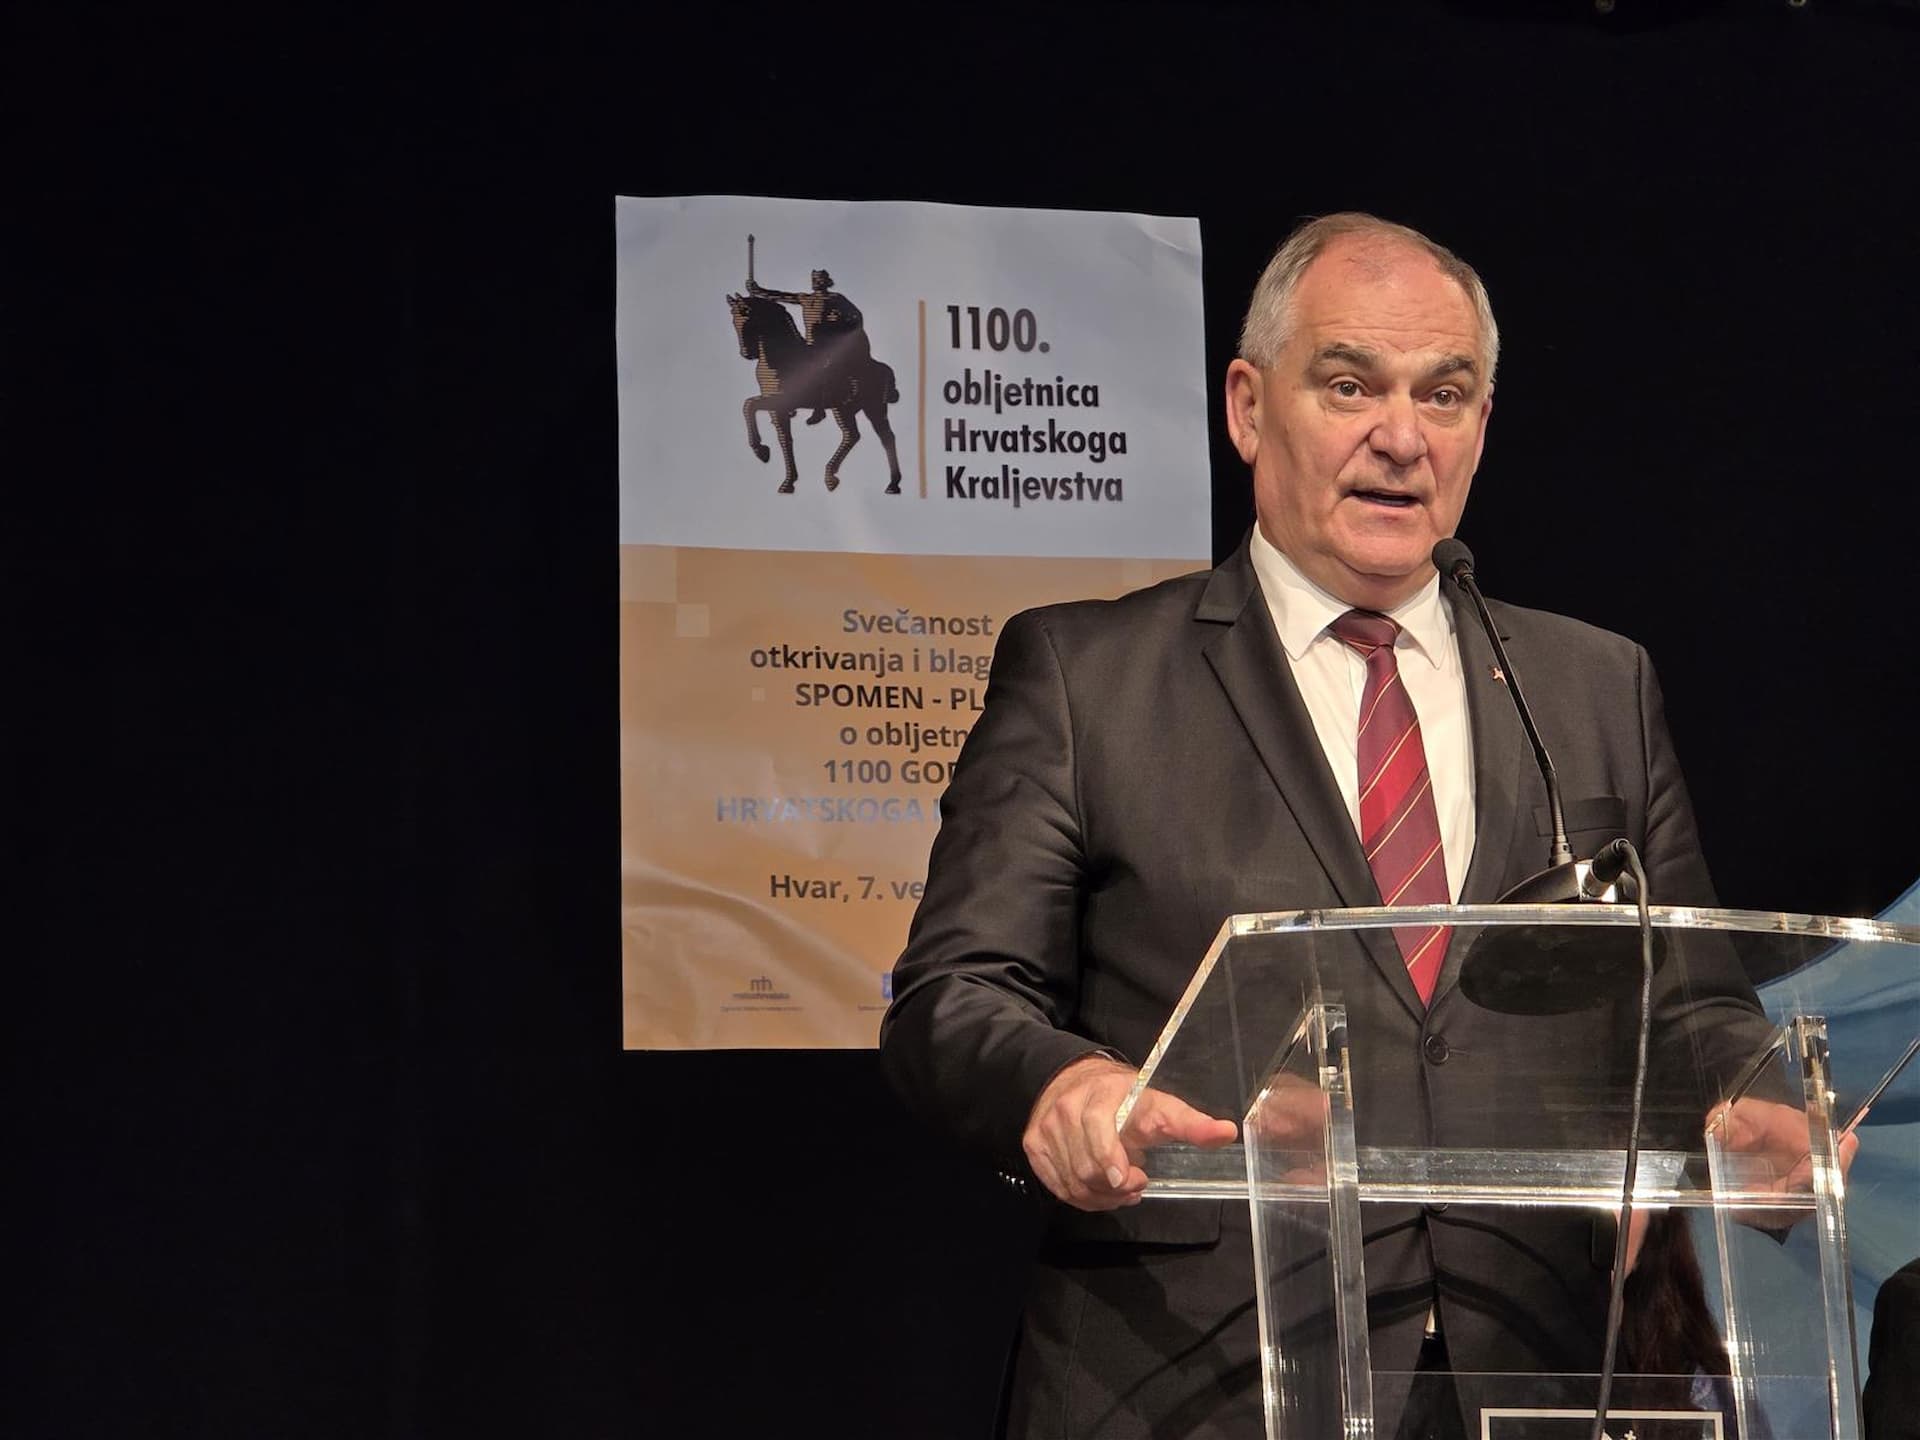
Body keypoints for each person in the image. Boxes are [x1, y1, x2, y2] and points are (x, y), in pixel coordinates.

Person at [878, 214, 1819, 1439]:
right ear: (1247, 407)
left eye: (1444, 394)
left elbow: (1691, 1003)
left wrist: (1749, 1100)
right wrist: (1066, 1085)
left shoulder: (1595, 685)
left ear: (1482, 425)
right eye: (1349, 385)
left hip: (1528, 1368)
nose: (1401, 436)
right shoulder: (1086, 676)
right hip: (1196, 1374)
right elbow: (953, 995)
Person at [746, 267, 870, 424]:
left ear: (826, 281)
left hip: (827, 346)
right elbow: (781, 296)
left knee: (822, 369)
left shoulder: (836, 299)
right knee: (789, 365)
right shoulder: (805, 298)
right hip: (809, 344)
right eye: (814, 279)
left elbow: (857, 317)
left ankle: (819, 407)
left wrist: (838, 324)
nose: (815, 282)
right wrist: (758, 291)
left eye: (818, 279)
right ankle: (787, 400)